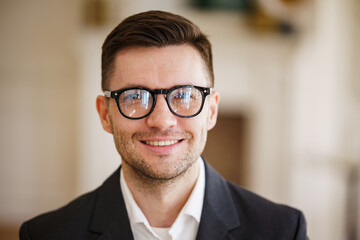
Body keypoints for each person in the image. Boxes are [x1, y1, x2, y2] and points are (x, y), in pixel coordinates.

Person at [19, 10, 308, 240]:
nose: (161, 121)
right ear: (105, 114)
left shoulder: (282, 231)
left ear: (211, 110)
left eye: (183, 95)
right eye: (134, 96)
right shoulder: (46, 234)